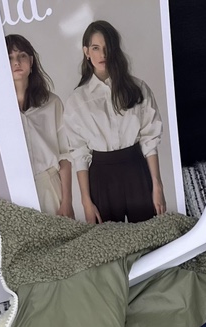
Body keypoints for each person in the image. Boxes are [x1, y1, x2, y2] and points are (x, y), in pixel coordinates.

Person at [63, 20, 165, 224]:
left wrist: (158, 186)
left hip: (137, 169)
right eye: (95, 48)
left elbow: (149, 140)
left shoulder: (138, 88)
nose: (103, 54)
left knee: (149, 235)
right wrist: (86, 201)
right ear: (86, 52)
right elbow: (79, 153)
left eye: (107, 47)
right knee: (109, 240)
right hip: (102, 177)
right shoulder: (77, 101)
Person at [6, 34, 73, 218]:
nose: (16, 62)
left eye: (22, 55)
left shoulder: (52, 103)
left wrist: (67, 201)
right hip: (15, 192)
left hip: (49, 185)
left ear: (31, 61)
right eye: (9, 57)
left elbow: (65, 155)